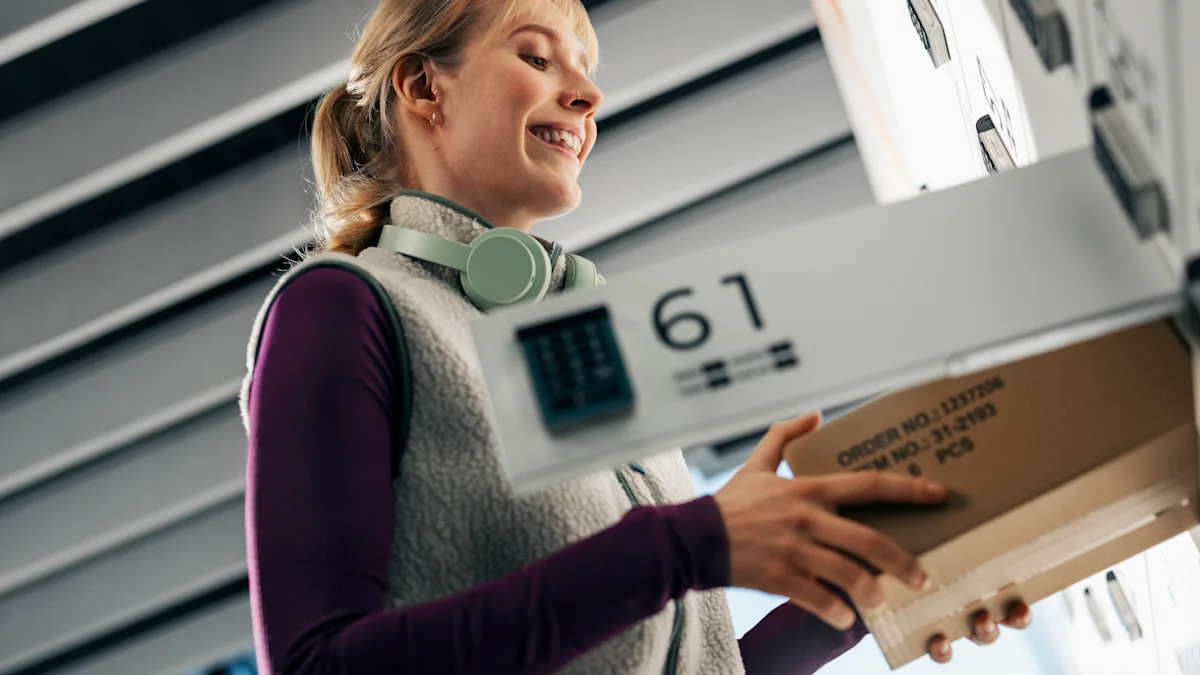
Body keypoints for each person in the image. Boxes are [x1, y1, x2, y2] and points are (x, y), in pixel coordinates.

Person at [238, 0, 1033, 673]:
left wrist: (847, 604)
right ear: (422, 85)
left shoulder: (588, 353)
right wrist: (695, 542)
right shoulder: (338, 307)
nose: (587, 95)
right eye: (539, 58)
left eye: (585, 70)